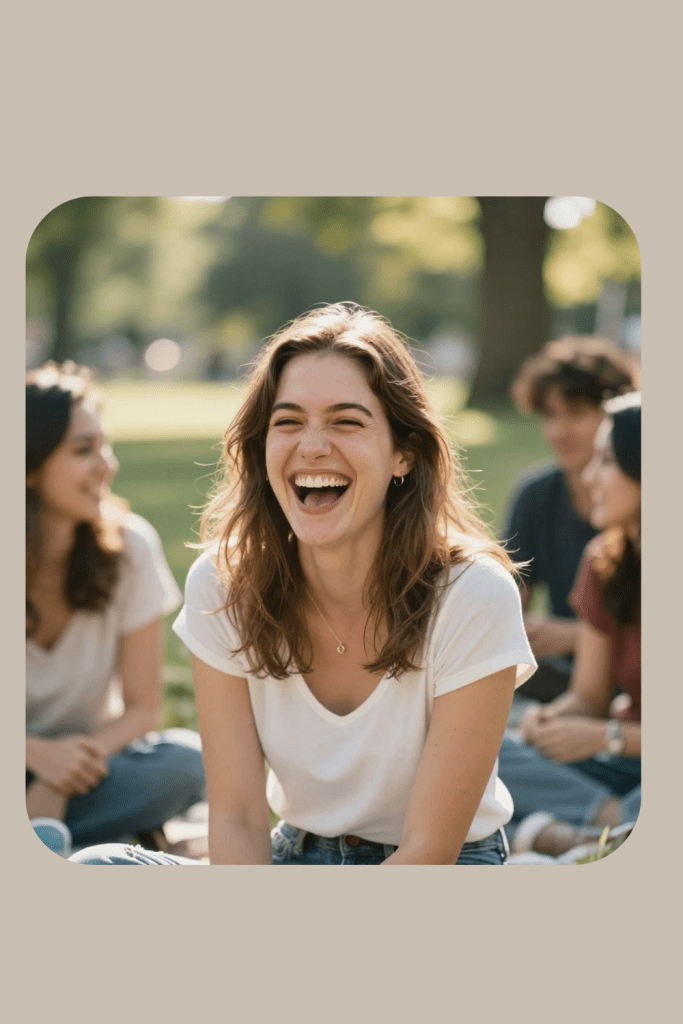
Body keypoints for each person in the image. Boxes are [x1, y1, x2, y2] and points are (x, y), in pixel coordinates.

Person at [70, 301, 536, 866]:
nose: (311, 446)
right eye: (287, 422)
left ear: (403, 454)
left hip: (442, 869)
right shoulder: (222, 585)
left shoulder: (473, 594)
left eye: (346, 421)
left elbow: (427, 853)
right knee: (101, 869)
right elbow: (238, 817)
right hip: (295, 856)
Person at [26, 362, 206, 855]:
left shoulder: (131, 549)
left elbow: (143, 709)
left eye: (103, 445)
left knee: (188, 762)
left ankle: (46, 838)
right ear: (27, 467)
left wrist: (62, 774)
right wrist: (36, 755)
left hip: (91, 767)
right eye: (83, 450)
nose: (107, 464)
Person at [499, 391, 641, 857]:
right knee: (480, 750)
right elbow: (590, 697)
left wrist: (607, 737)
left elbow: (603, 726)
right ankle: (604, 825)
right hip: (621, 764)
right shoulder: (604, 561)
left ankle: (555, 832)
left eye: (607, 462)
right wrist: (551, 721)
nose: (588, 476)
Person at [504, 337, 639, 704]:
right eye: (550, 415)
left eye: (576, 413)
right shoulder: (536, 496)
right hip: (567, 683)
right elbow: (509, 606)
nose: (559, 431)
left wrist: (579, 635)